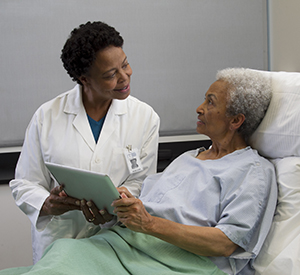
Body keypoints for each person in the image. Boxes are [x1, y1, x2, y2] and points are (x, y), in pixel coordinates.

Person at [2, 68, 277, 275]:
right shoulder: (189, 158)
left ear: (236, 120)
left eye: (211, 102)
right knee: (61, 254)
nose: (200, 108)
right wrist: (125, 202)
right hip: (121, 244)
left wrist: (148, 223)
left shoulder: (253, 171)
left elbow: (226, 243)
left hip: (174, 263)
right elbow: (150, 204)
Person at [9, 21, 160, 264]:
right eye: (111, 74)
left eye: (125, 65)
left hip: (117, 240)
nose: (124, 77)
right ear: (84, 79)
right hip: (60, 241)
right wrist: (47, 204)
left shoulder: (145, 117)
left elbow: (142, 179)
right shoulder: (47, 116)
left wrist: (123, 196)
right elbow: (24, 183)